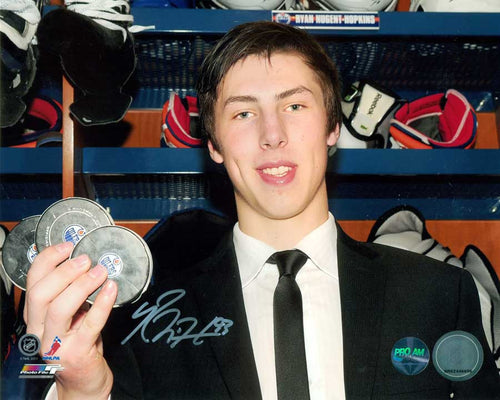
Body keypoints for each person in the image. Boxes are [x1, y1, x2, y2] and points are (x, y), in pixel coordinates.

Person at [24, 21, 499, 399]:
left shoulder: (439, 292)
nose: (273, 134)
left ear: (333, 127)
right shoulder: (140, 318)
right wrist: (80, 390)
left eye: (295, 106)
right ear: (213, 143)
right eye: (243, 113)